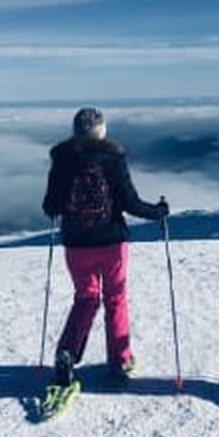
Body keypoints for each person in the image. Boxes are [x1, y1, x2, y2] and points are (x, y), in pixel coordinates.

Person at [42, 107, 168, 388]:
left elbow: (50, 206)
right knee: (115, 299)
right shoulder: (112, 158)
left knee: (86, 298)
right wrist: (159, 211)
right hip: (112, 242)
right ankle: (120, 361)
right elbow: (130, 203)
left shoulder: (62, 160)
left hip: (76, 244)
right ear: (102, 130)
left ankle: (67, 352)